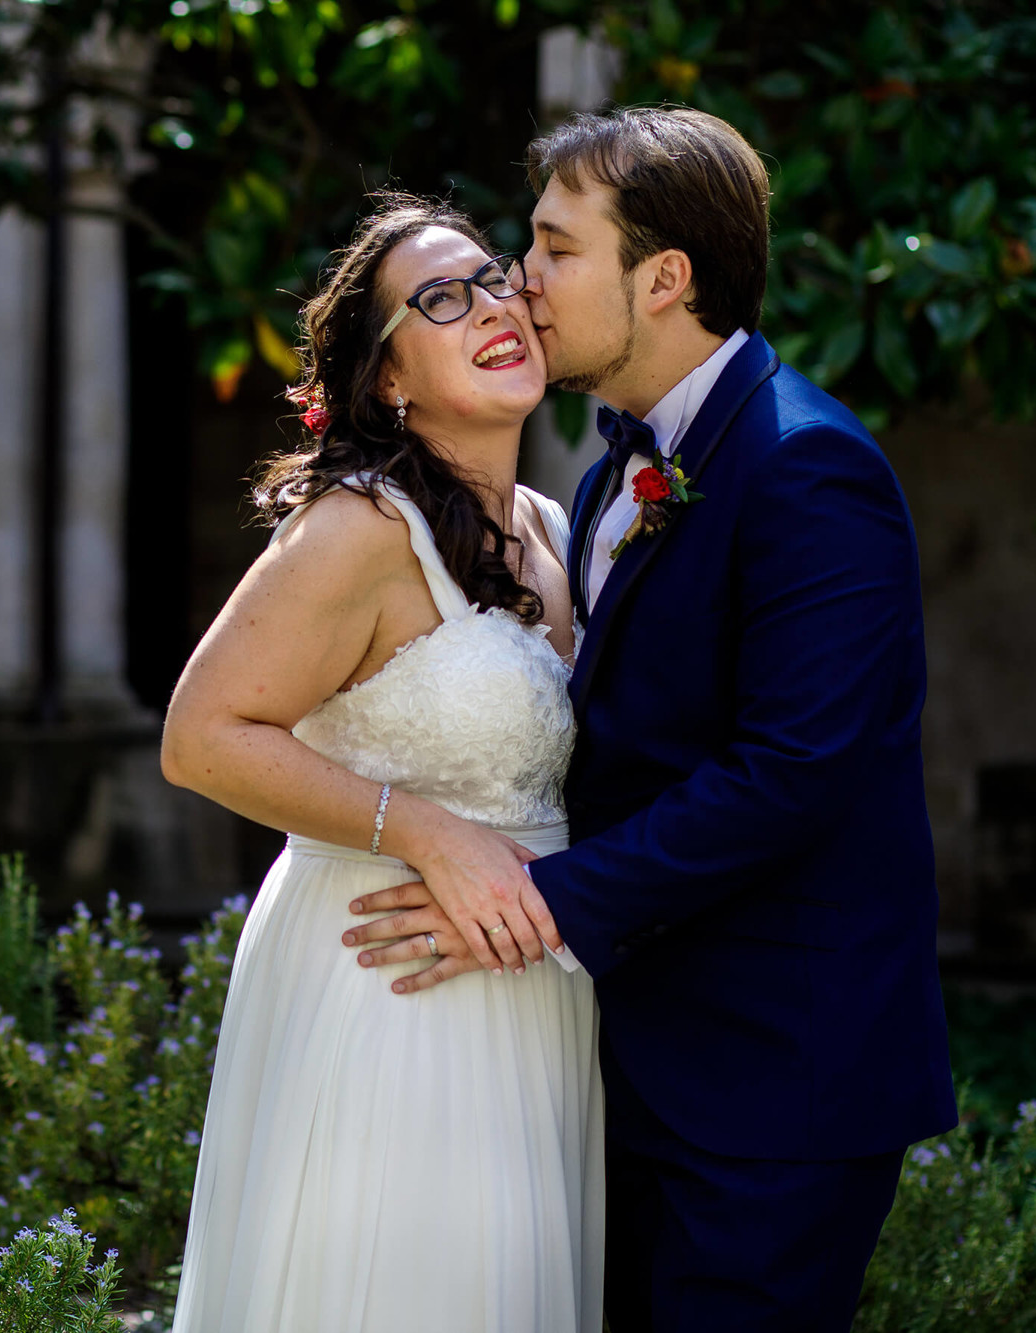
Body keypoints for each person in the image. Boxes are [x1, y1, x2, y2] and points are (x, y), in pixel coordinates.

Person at [344, 107, 958, 1329]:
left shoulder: (806, 470)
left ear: (662, 278)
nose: (519, 281)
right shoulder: (606, 472)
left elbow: (791, 773)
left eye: (554, 249)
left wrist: (533, 905)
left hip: (774, 1083)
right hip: (627, 1062)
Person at [160, 195, 602, 1332]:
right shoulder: (358, 527)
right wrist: (423, 829)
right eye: (440, 299)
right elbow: (201, 735)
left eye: (493, 277)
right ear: (387, 379)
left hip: (538, 994)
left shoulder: (556, 527)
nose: (491, 304)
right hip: (387, 982)